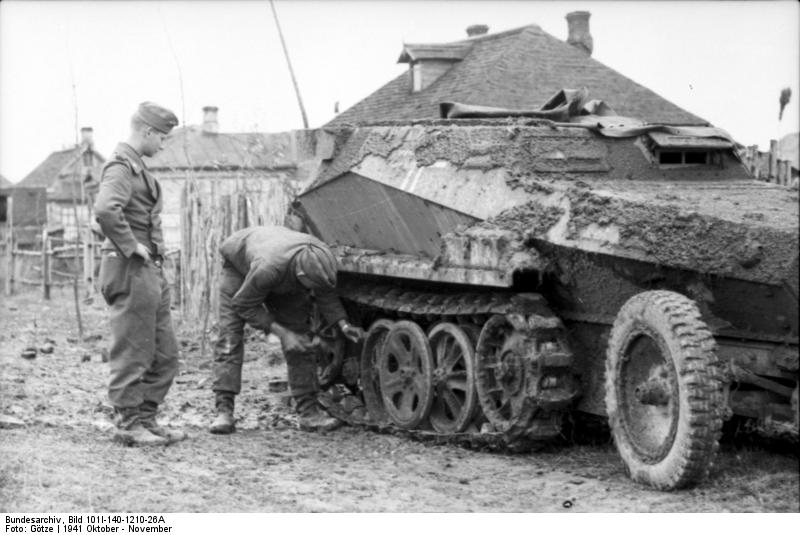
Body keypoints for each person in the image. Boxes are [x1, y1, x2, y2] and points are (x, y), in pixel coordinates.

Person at [209, 225, 364, 434]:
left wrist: (343, 324)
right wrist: (282, 333)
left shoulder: (320, 258)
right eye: (308, 285)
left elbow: (325, 293)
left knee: (301, 338)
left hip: (283, 276)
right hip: (241, 268)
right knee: (229, 338)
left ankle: (309, 414)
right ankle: (224, 410)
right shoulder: (268, 269)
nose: (311, 290)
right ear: (300, 274)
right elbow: (244, 305)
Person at [94, 102, 186, 446]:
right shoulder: (120, 167)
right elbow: (105, 209)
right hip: (129, 267)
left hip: (148, 271)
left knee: (164, 352)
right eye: (162, 137)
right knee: (133, 349)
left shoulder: (138, 170)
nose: (163, 144)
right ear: (146, 131)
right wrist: (132, 245)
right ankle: (128, 423)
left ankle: (146, 418)